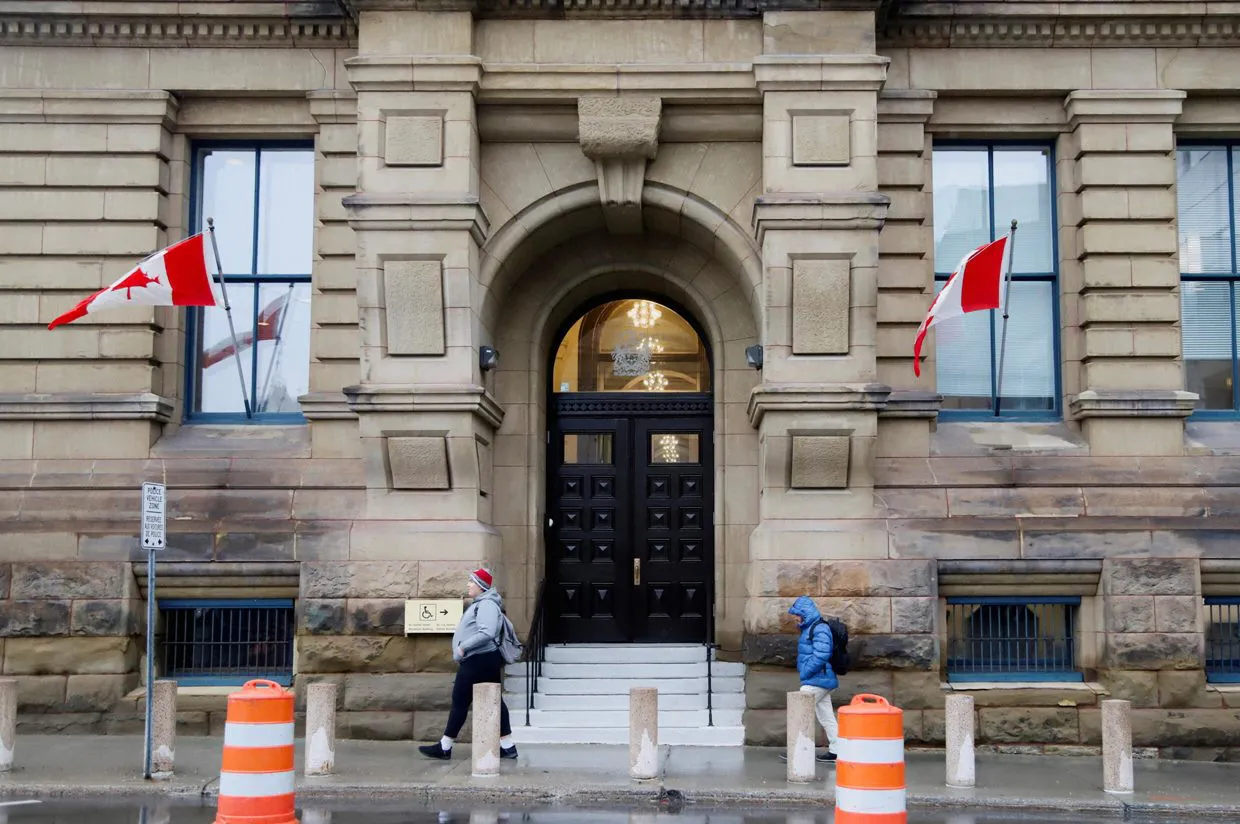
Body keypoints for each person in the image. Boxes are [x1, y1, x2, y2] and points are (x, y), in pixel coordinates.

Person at [418, 568, 518, 761]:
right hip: (484, 659)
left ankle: (445, 746)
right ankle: (508, 746)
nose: (468, 584)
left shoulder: (487, 605)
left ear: (480, 586)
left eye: (471, 581)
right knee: (494, 700)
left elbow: (487, 632)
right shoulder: (482, 603)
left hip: (479, 659)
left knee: (460, 700)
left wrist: (463, 647)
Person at [787, 595, 839, 763]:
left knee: (800, 705)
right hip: (820, 679)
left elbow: (822, 654)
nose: (795, 617)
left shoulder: (819, 628)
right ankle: (838, 750)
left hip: (818, 679)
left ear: (805, 613)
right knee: (826, 716)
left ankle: (799, 750)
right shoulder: (811, 628)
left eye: (797, 614)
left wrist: (806, 671)